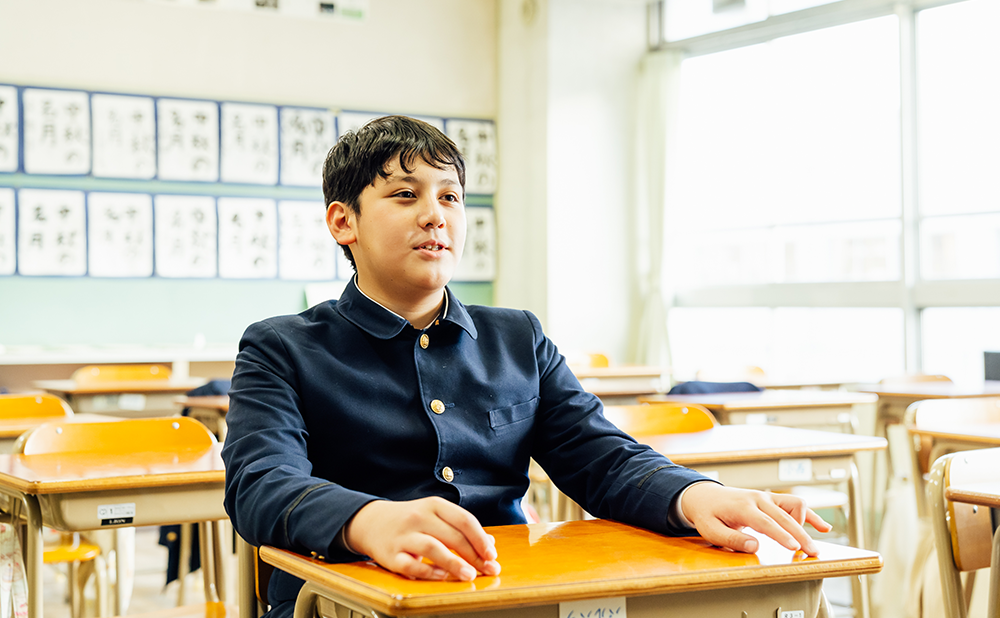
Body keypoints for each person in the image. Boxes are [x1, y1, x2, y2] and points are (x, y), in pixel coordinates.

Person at [221, 115, 831, 618]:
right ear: (343, 222)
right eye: (406, 195)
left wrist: (693, 495)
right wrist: (366, 520)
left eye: (450, 196)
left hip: (507, 592)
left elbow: (600, 457)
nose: (435, 215)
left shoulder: (518, 337)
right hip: (342, 599)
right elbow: (260, 484)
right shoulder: (281, 347)